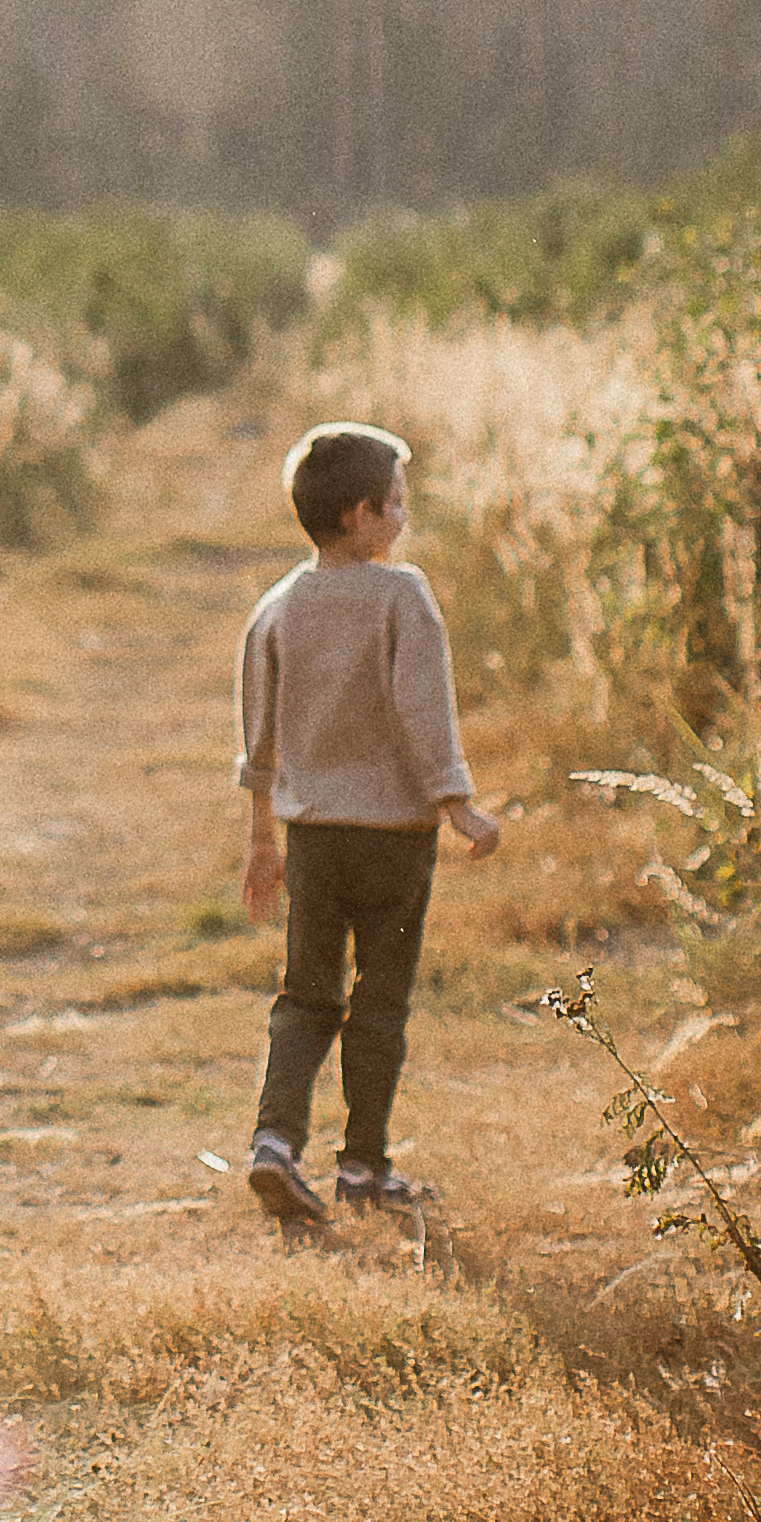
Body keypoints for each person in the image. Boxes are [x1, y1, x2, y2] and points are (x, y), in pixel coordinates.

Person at [234, 422, 500, 1229]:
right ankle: (361, 1166)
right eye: (398, 504)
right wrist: (455, 802)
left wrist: (260, 838)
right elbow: (423, 710)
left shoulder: (275, 608)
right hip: (393, 837)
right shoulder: (401, 595)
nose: (404, 518)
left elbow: (259, 736)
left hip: (314, 836)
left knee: (305, 993)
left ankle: (273, 1143)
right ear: (361, 514)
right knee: (378, 999)